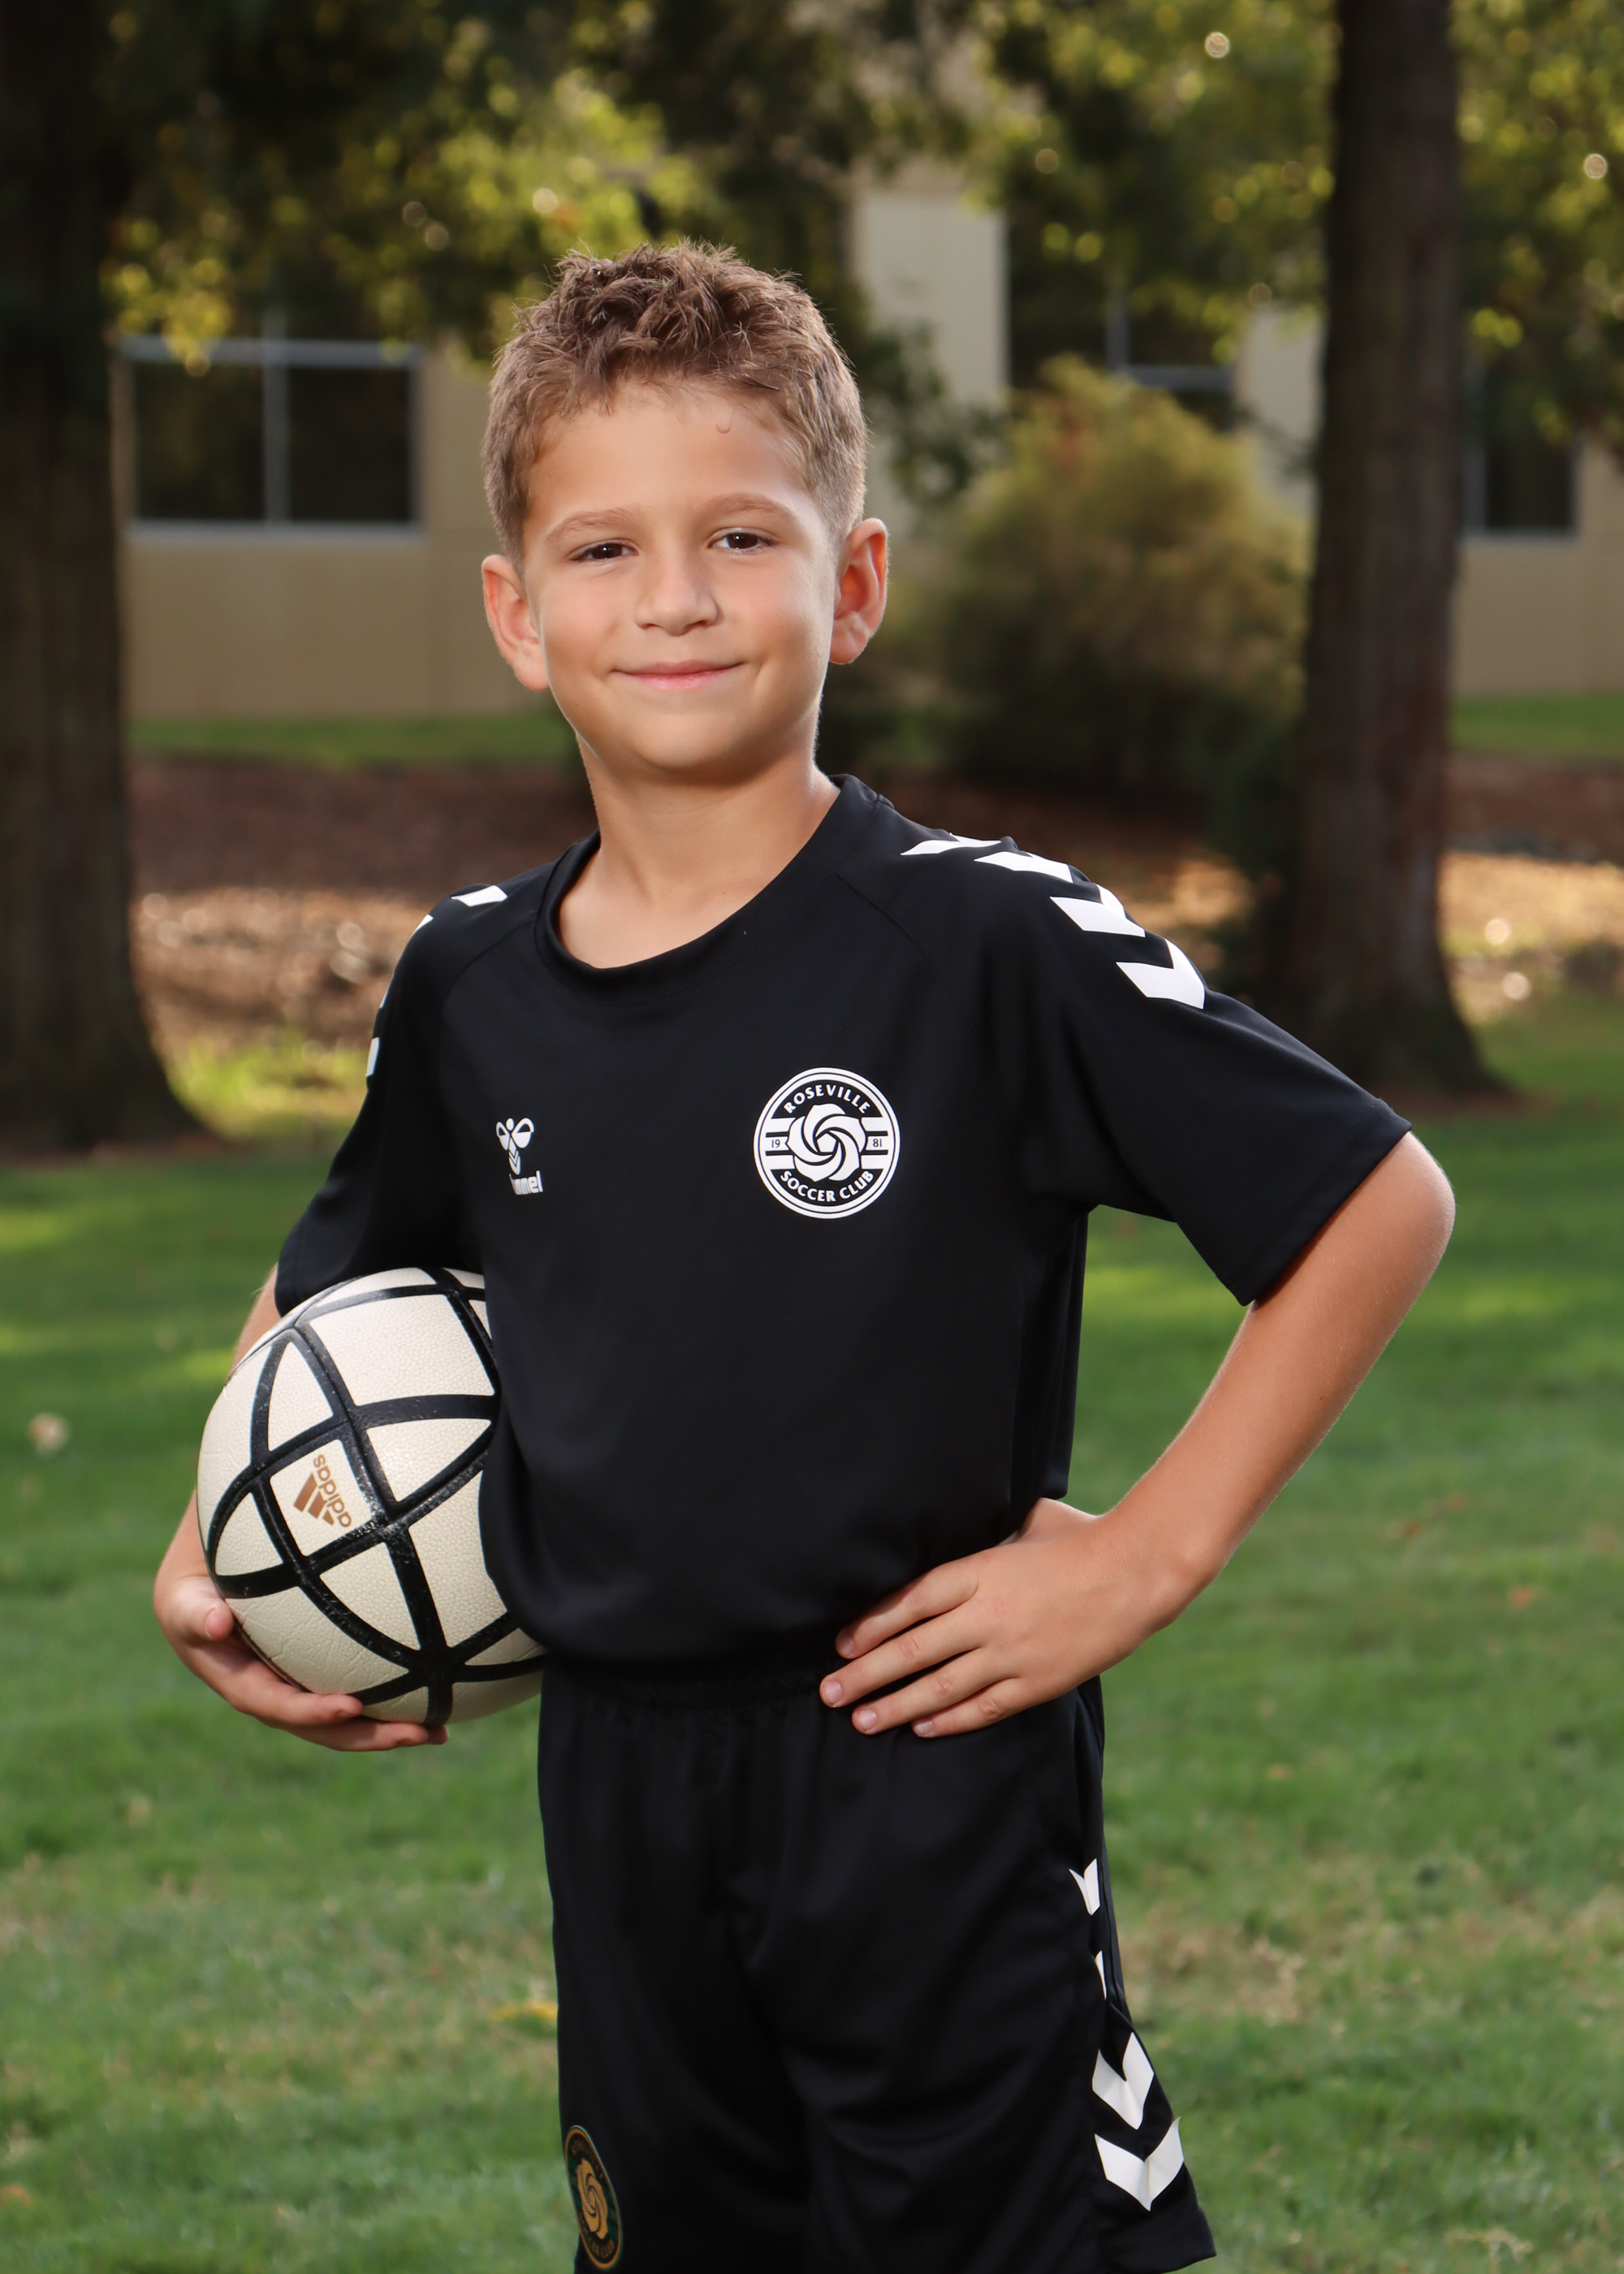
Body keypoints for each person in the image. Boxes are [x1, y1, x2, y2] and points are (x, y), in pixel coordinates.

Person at [155, 241, 1455, 2274]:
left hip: (923, 1767)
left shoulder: (984, 939)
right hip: (615, 1783)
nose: (671, 596)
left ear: (850, 585)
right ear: (515, 614)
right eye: (603, 547)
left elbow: (1375, 1197)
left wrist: (1144, 1553)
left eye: (739, 535)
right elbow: (339, 1275)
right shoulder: (470, 980)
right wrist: (225, 1527)